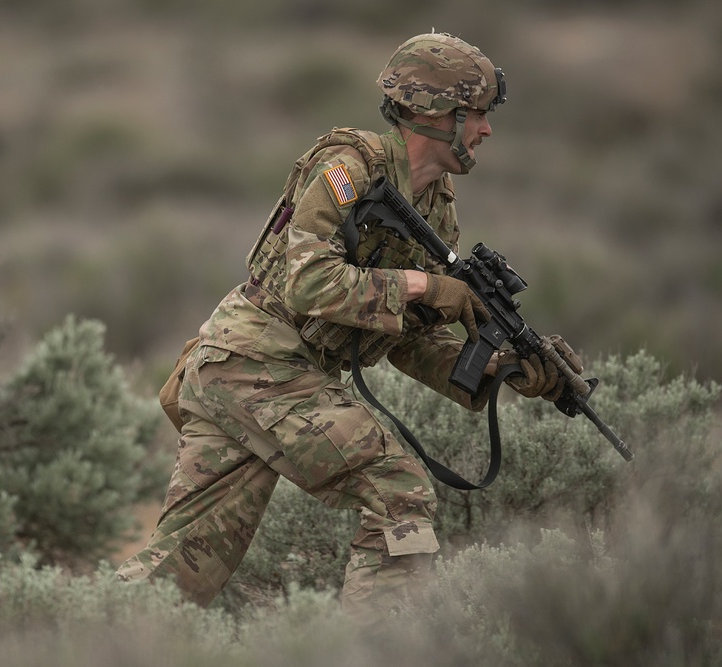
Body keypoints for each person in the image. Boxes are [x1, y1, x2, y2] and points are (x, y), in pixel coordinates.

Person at [117, 31, 582, 616]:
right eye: (479, 115)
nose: (486, 130)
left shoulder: (437, 206)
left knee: (179, 572)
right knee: (399, 491)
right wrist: (424, 284)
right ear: (437, 113)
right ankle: (374, 649)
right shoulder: (350, 168)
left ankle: (65, 641)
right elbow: (307, 283)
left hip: (248, 376)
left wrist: (501, 367)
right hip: (259, 363)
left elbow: (408, 340)